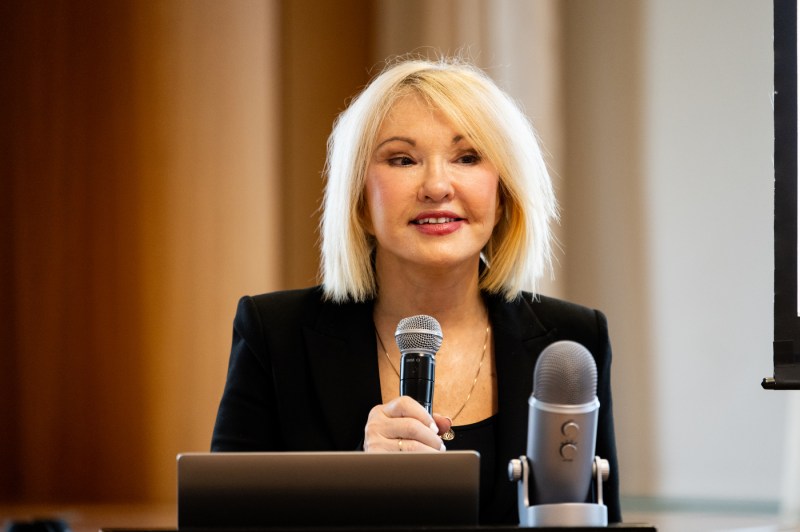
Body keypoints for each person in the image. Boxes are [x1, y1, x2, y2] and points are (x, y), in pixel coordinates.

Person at [211, 56, 621, 525]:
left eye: (467, 157)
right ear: (360, 199)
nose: (437, 185)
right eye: (402, 159)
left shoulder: (571, 341)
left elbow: (603, 517)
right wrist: (357, 485)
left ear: (503, 194)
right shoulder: (274, 334)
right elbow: (220, 522)